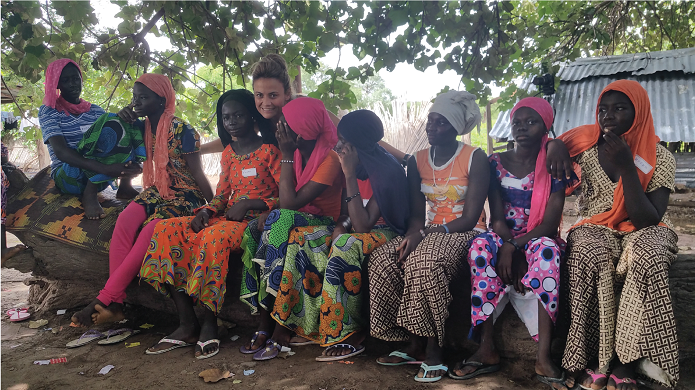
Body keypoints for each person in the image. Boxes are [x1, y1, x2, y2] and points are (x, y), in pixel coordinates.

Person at [545, 80, 678, 390]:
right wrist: (555, 145)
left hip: (647, 224)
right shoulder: (586, 147)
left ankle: (628, 363)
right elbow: (551, 146)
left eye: (620, 109)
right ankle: (594, 358)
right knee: (586, 254)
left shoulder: (659, 156)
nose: (608, 116)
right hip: (596, 224)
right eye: (603, 109)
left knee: (649, 254)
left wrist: (628, 167)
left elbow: (648, 218)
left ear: (639, 111)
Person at [138, 89, 281, 359]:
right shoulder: (228, 153)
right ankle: (186, 323)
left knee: (212, 238)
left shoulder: (269, 151)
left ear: (252, 116)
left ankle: (210, 322)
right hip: (226, 217)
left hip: (252, 222)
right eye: (226, 117)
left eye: (238, 115)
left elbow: (286, 195)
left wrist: (252, 204)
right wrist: (206, 210)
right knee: (167, 229)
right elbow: (223, 195)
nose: (231, 122)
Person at [264, 109, 410, 362]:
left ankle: (349, 332)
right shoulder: (354, 162)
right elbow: (347, 214)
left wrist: (350, 174)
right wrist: (341, 224)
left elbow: (364, 226)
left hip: (387, 232)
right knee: (302, 238)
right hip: (356, 228)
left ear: (359, 144)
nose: (338, 145)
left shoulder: (387, 171)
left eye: (344, 141)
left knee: (346, 244)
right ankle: (298, 322)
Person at [71, 74, 214, 327]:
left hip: (186, 194)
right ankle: (116, 303)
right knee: (125, 219)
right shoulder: (141, 127)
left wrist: (213, 207)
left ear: (162, 100)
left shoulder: (184, 130)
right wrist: (122, 117)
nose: (136, 102)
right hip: (158, 189)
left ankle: (105, 299)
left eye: (143, 98)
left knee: (150, 229)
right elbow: (114, 139)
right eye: (134, 97)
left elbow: (198, 174)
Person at [452, 97, 573, 389]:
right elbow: (496, 218)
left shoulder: (552, 163)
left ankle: (543, 356)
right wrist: (507, 243)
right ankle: (486, 347)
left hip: (537, 235)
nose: (521, 128)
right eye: (517, 122)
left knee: (547, 253)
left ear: (545, 126)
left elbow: (549, 223)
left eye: (530, 123)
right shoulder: (495, 162)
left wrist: (517, 246)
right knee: (480, 247)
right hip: (504, 233)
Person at [369, 90, 489, 383]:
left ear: (456, 126)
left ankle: (435, 349)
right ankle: (412, 343)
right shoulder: (418, 160)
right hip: (429, 230)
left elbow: (471, 217)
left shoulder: (475, 157)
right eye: (430, 121)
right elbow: (415, 213)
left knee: (425, 261)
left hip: (465, 232)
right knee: (383, 259)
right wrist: (414, 233)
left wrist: (431, 233)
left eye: (441, 123)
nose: (431, 127)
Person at [239, 97, 344, 360]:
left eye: (286, 124)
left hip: (326, 223)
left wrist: (285, 155)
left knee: (280, 220)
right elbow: (286, 202)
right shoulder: (298, 154)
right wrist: (271, 211)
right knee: (254, 228)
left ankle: (279, 324)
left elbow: (291, 203)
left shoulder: (329, 159)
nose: (279, 128)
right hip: (297, 217)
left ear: (303, 130)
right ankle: (264, 317)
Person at [39, 59, 144, 219]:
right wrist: (105, 169)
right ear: (57, 85)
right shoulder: (50, 111)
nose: (73, 84)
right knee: (108, 126)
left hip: (101, 175)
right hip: (71, 176)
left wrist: (126, 118)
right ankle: (89, 194)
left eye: (75, 78)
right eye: (65, 80)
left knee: (124, 122)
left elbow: (113, 138)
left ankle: (125, 185)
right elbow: (61, 152)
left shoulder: (94, 110)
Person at [199, 54, 293, 154]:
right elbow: (236, 139)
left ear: (287, 93)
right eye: (259, 95)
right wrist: (195, 151)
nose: (266, 103)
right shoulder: (260, 118)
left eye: (273, 95)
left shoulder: (299, 115)